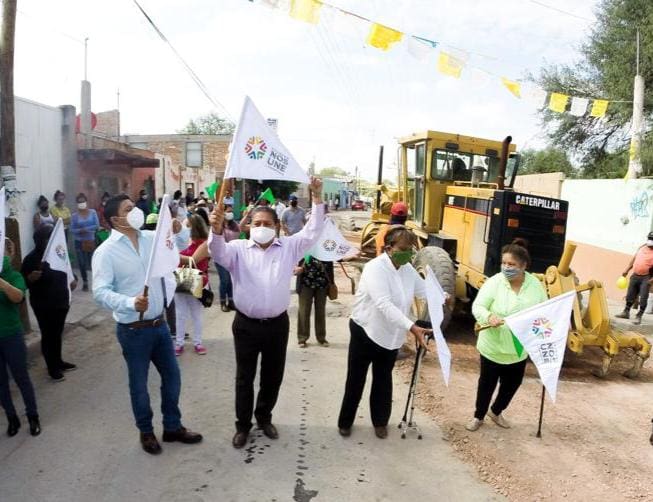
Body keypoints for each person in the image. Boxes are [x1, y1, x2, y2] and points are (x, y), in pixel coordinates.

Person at [209, 177, 325, 449]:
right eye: (257, 223)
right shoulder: (237, 249)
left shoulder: (289, 248)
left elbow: (312, 232)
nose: (262, 227)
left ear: (276, 227)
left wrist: (317, 197)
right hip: (246, 325)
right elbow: (217, 252)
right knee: (244, 378)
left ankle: (264, 417)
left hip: (276, 325)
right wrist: (215, 230)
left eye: (267, 224)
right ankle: (242, 425)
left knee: (273, 376)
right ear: (249, 226)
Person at [92, 194, 203, 455]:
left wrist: (178, 229)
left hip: (159, 325)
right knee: (139, 385)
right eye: (129, 209)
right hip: (133, 330)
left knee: (172, 376)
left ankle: (172, 426)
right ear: (115, 220)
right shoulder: (105, 252)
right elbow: (100, 292)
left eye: (134, 207)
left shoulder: (151, 239)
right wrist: (130, 302)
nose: (136, 211)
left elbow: (179, 246)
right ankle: (146, 431)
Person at [337, 226, 431, 439]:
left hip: (390, 335)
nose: (408, 254)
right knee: (356, 379)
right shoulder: (375, 268)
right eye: (404, 249)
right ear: (389, 248)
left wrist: (442, 295)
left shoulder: (407, 270)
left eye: (411, 250)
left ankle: (380, 422)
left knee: (383, 379)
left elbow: (423, 290)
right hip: (365, 330)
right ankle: (345, 421)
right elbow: (383, 304)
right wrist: (412, 326)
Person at [466, 238, 548, 432]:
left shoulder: (535, 285)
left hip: (518, 345)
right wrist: (489, 316)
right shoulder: (495, 282)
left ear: (523, 266)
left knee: (512, 384)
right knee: (487, 384)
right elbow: (478, 306)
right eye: (504, 263)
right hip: (493, 344)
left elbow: (543, 311)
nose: (506, 268)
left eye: (511, 264)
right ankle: (478, 416)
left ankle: (496, 411)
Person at [21, 225, 78, 381]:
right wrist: (30, 278)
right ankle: (52, 368)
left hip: (61, 301)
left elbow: (66, 268)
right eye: (47, 238)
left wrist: (73, 279)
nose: (50, 241)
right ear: (39, 240)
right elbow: (22, 283)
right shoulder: (31, 259)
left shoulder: (59, 252)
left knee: (57, 334)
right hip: (43, 305)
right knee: (48, 335)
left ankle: (58, 361)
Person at [0, 240, 40, 437]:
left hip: (11, 336)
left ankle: (33, 416)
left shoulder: (15, 276)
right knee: (1, 382)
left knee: (21, 377)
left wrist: (1, 283)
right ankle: (12, 418)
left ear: (11, 253)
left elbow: (18, 297)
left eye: (3, 252)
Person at [174, 214, 209, 356]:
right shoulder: (185, 241)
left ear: (195, 227)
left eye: (187, 226)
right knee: (180, 314)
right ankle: (179, 343)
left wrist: (172, 256)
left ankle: (197, 342)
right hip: (182, 276)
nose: (184, 228)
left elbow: (192, 261)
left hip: (196, 279)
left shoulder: (204, 244)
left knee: (196, 314)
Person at [295, 256, 333, 348]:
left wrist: (351, 255)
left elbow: (336, 257)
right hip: (305, 283)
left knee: (320, 311)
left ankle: (321, 338)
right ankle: (302, 338)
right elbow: (294, 259)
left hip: (322, 284)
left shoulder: (325, 250)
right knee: (304, 311)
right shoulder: (304, 249)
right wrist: (296, 267)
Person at [616, 232, 653, 325]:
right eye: (649, 238)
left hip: (646, 277)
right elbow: (634, 259)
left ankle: (639, 316)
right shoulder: (642, 247)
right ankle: (626, 312)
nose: (650, 241)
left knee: (643, 297)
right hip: (635, 275)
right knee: (630, 294)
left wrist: (651, 280)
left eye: (652, 239)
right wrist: (627, 269)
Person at [71, 193, 99, 291]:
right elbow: (72, 229)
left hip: (90, 241)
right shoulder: (74, 216)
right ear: (77, 203)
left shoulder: (92, 212)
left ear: (86, 202)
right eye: (79, 202)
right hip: (79, 242)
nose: (81, 203)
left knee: (92, 263)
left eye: (83, 201)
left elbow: (96, 225)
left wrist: (87, 229)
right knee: (82, 263)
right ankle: (85, 282)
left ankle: (97, 281)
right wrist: (80, 231)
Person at [216, 205, 240, 312]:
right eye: (228, 211)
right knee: (224, 280)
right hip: (220, 256)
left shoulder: (234, 225)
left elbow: (240, 231)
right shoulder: (218, 226)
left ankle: (231, 301)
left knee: (231, 280)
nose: (230, 214)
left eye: (231, 211)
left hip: (232, 256)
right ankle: (222, 302)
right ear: (223, 213)